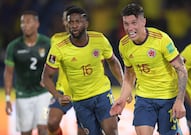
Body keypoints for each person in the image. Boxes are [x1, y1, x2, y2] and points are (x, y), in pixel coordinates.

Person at [41, 6, 124, 135]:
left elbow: (112, 61)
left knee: (111, 131)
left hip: (102, 93)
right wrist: (57, 96)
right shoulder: (58, 46)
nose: (74, 26)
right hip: (78, 97)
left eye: (77, 22)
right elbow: (46, 76)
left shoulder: (99, 39)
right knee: (54, 123)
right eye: (71, 22)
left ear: (86, 23)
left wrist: (124, 84)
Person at [109, 3, 188, 135]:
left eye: (134, 23)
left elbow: (181, 69)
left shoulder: (161, 39)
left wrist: (180, 101)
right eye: (126, 24)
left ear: (143, 21)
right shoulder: (124, 45)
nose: (130, 28)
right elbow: (129, 74)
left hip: (168, 97)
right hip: (144, 98)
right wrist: (122, 98)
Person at [4, 10, 51, 135]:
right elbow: (8, 73)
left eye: (28, 21)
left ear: (37, 24)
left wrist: (49, 79)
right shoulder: (13, 47)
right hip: (22, 94)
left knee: (43, 128)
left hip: (43, 93)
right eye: (22, 22)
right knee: (26, 132)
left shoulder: (47, 43)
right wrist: (8, 98)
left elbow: (56, 66)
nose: (25, 25)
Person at [46, 5, 87, 135]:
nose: (69, 23)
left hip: (85, 91)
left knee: (82, 131)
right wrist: (47, 77)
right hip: (63, 89)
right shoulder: (56, 40)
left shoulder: (92, 40)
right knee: (52, 123)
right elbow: (51, 63)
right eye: (66, 20)